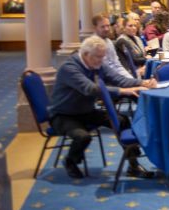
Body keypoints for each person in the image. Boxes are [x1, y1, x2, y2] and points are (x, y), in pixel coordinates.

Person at [48, 36, 155, 179]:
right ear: (86, 54)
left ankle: (133, 165)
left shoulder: (97, 63)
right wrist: (122, 91)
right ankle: (70, 161)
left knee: (122, 121)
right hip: (63, 114)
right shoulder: (69, 68)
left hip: (85, 111)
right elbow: (91, 89)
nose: (101, 60)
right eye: (98, 57)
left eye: (102, 56)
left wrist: (142, 82)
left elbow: (118, 79)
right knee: (83, 137)